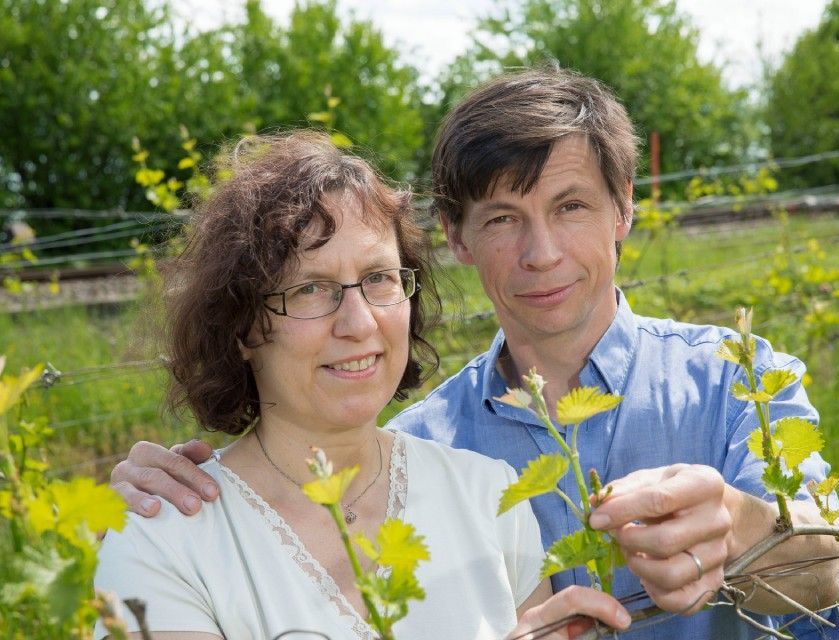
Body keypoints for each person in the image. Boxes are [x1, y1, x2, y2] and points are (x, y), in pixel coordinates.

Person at [110, 68, 839, 639]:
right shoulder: (418, 448)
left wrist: (741, 528)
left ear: (625, 207)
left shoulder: (735, 377)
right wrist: (176, 501)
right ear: (457, 238)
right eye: (503, 218)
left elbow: (828, 574)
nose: (542, 253)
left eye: (571, 206)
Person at [94, 131, 632, 640]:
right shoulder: (162, 536)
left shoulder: (489, 495)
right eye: (310, 288)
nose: (359, 322)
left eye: (378, 279)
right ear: (240, 327)